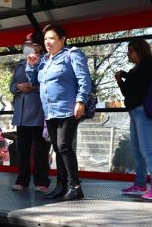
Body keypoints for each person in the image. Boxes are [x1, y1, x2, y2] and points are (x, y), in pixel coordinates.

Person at [26, 24, 92, 201]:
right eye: (46, 39)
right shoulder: (45, 60)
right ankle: (61, 186)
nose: (48, 42)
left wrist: (81, 101)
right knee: (57, 148)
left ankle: (75, 186)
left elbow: (84, 79)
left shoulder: (72, 54)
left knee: (64, 146)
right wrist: (31, 66)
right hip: (50, 111)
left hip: (67, 109)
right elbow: (34, 82)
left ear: (62, 40)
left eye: (52, 38)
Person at [114, 40, 152, 200]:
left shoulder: (148, 67)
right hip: (134, 112)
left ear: (140, 51)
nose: (129, 54)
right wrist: (121, 81)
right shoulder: (136, 70)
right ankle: (140, 183)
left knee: (147, 150)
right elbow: (129, 93)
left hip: (143, 112)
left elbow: (140, 87)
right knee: (137, 151)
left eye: (131, 51)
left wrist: (127, 77)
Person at [10, 32, 50, 192]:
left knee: (41, 149)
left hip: (38, 111)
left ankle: (41, 181)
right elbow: (12, 85)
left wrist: (34, 86)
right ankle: (22, 180)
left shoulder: (46, 62)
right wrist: (18, 87)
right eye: (24, 43)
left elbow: (48, 83)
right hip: (21, 112)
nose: (25, 47)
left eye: (29, 44)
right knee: (23, 149)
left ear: (39, 46)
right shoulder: (20, 63)